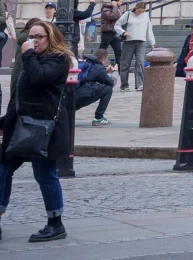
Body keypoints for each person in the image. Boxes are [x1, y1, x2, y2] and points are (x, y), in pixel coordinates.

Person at [0, 18, 72, 241]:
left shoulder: (59, 60)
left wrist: (28, 54)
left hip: (45, 128)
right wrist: (4, 122)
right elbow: (20, 97)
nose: (33, 41)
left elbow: (40, 78)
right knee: (2, 169)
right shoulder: (33, 60)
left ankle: (55, 223)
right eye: (31, 37)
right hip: (21, 125)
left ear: (51, 38)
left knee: (44, 174)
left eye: (39, 37)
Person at [73, 47, 115, 126]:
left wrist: (105, 71)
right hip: (81, 97)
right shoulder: (99, 68)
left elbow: (93, 74)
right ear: (103, 59)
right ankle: (98, 118)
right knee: (108, 89)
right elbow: (111, 83)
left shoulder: (88, 63)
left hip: (71, 97)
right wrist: (115, 72)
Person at [117, 0, 150, 91]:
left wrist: (152, 43)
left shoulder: (145, 16)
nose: (140, 13)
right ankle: (124, 85)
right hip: (129, 41)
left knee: (140, 62)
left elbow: (148, 29)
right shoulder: (127, 14)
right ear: (135, 8)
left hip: (141, 41)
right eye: (139, 11)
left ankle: (139, 84)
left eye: (142, 11)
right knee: (125, 63)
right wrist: (123, 32)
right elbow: (117, 25)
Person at [96, 0, 123, 71]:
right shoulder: (106, 8)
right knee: (102, 50)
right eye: (120, 1)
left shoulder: (117, 9)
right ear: (115, 1)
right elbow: (112, 16)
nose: (121, 2)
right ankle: (96, 67)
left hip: (115, 32)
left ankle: (120, 71)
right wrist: (114, 7)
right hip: (108, 32)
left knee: (118, 52)